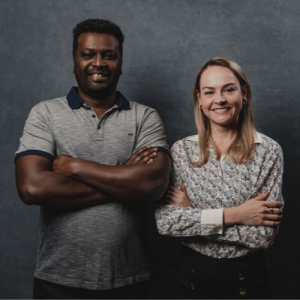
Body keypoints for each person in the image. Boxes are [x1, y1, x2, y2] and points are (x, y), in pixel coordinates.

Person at [15, 19, 171, 299]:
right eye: (88, 54)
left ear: (120, 64)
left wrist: (76, 167)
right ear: (74, 62)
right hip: (57, 281)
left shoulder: (144, 117)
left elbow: (153, 185)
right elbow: (32, 188)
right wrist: (124, 176)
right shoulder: (45, 114)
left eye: (109, 55)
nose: (98, 62)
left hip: (130, 279)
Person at [155, 57, 284, 299]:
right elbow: (167, 223)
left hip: (247, 280)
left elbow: (262, 236)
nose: (220, 99)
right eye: (209, 92)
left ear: (243, 94)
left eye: (229, 89)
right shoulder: (181, 151)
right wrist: (238, 215)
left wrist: (194, 216)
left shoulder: (268, 151)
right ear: (199, 99)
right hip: (191, 277)